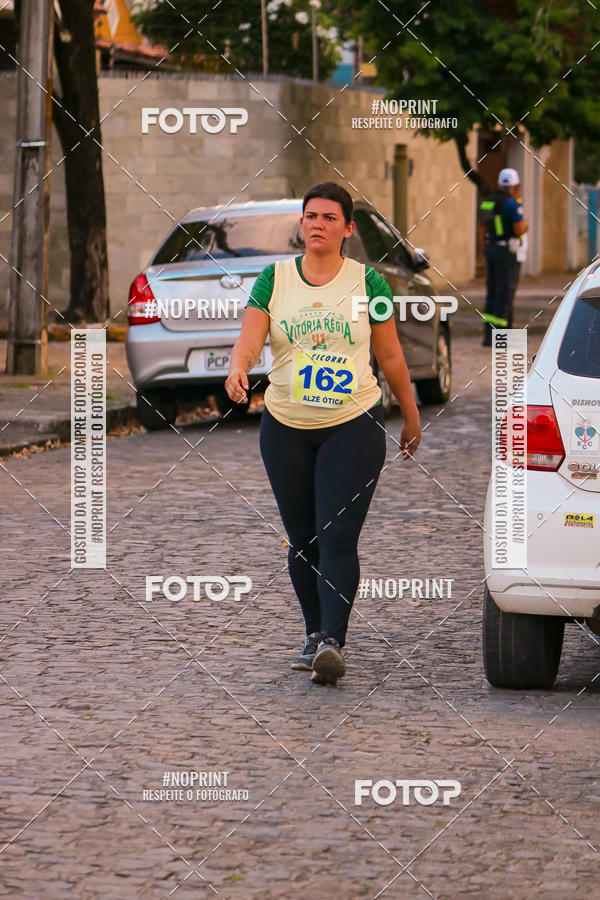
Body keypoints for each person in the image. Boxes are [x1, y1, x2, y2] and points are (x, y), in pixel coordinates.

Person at [225, 182, 421, 686]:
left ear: (348, 229)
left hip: (353, 425)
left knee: (337, 537)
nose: (317, 224)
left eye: (329, 218)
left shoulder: (370, 284)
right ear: (301, 224)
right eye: (310, 216)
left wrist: (412, 414)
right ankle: (313, 633)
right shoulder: (275, 279)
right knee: (302, 540)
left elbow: (392, 355)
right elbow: (250, 337)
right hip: (286, 426)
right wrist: (238, 368)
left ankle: (333, 641)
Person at [480, 168, 529, 345]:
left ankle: (488, 337)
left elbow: (482, 228)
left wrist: (483, 250)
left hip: (491, 249)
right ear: (515, 186)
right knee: (505, 293)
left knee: (491, 292)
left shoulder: (487, 202)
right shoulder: (513, 204)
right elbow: (518, 229)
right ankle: (502, 338)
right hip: (506, 253)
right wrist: (526, 225)